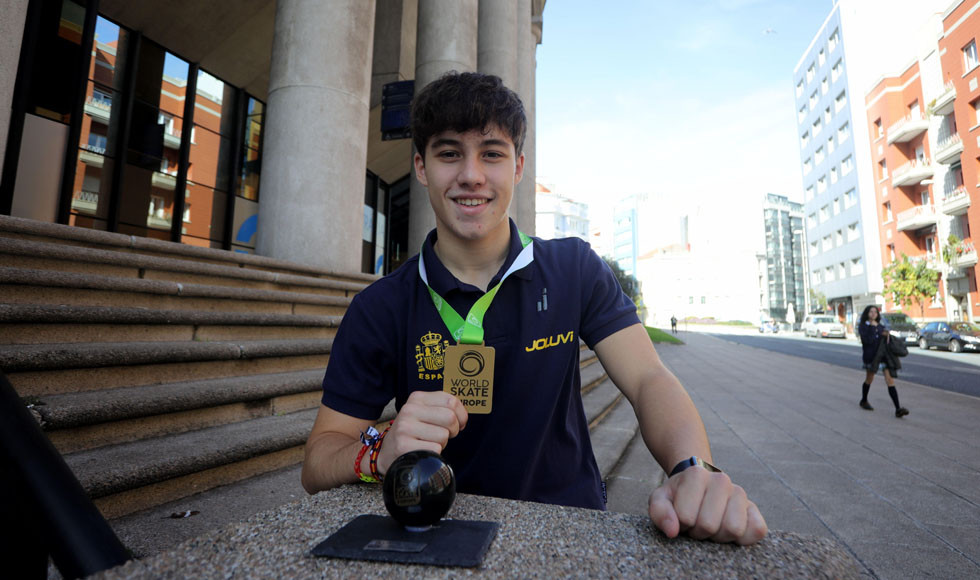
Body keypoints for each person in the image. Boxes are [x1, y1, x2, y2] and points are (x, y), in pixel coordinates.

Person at [301, 72, 767, 545]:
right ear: (420, 167)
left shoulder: (573, 268)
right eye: (448, 154)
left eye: (492, 154)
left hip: (570, 530)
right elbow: (319, 460)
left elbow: (649, 379)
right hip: (439, 538)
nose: (471, 174)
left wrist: (693, 468)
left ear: (518, 166)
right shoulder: (379, 306)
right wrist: (376, 453)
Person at [857, 305, 909, 418]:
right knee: (869, 379)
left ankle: (898, 409)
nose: (873, 314)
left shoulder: (880, 326)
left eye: (875, 312)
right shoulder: (863, 327)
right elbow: (867, 341)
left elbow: (884, 340)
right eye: (870, 311)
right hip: (871, 357)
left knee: (889, 380)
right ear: (867, 313)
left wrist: (885, 334)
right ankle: (864, 400)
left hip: (883, 357)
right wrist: (874, 329)